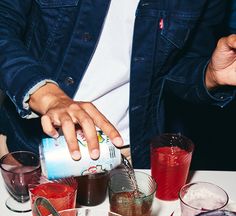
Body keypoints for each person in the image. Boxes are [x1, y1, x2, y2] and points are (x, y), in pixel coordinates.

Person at [0, 0, 236, 169]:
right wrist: (46, 94)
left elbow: (176, 70)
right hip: (36, 150)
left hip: (127, 155)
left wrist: (210, 75)